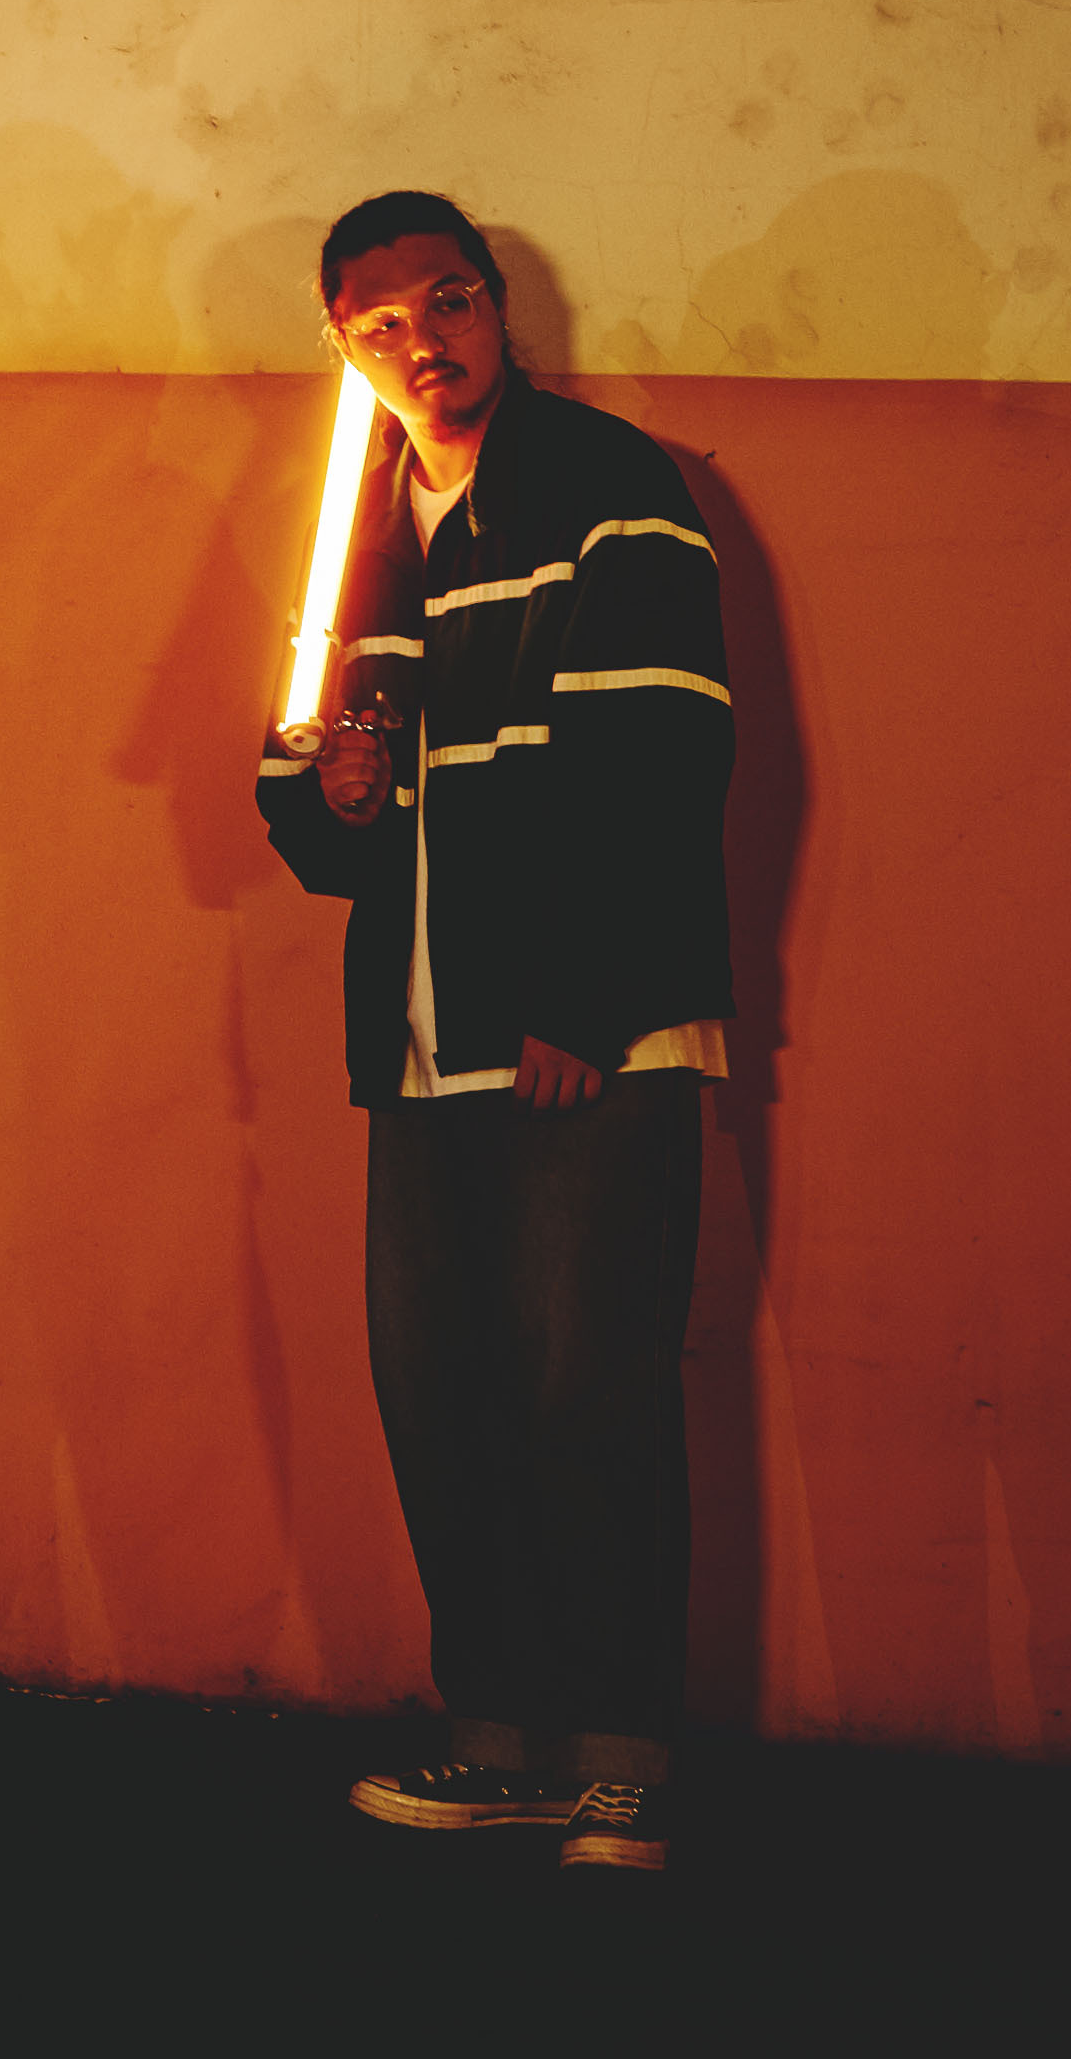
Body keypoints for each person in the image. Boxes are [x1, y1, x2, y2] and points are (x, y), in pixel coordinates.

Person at [258, 190, 736, 1876]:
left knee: (586, 1393)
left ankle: (620, 1759)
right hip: (416, 1043)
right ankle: (499, 1736)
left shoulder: (608, 487)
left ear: (498, 306)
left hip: (575, 1036)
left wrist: (582, 999)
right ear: (341, 346)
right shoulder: (353, 530)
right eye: (381, 325)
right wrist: (329, 792)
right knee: (441, 1393)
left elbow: (662, 754)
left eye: (448, 301)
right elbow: (298, 794)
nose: (424, 343)